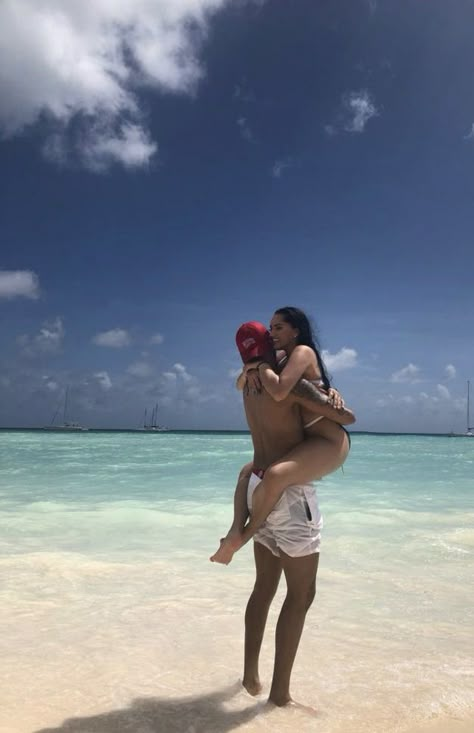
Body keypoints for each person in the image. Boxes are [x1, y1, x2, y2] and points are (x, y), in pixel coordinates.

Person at [210, 320, 355, 708]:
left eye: (279, 328)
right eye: (270, 331)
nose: (275, 337)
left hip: (258, 482)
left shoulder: (249, 384)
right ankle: (280, 696)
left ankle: (250, 676)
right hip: (288, 497)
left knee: (263, 588)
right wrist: (330, 399)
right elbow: (346, 419)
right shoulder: (286, 386)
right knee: (301, 594)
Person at [211, 309, 354, 566]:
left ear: (296, 331)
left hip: (330, 442)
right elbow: (239, 384)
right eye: (270, 328)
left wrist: (260, 366)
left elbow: (278, 390)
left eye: (279, 328)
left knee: (276, 475)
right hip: (309, 441)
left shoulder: (301, 352)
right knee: (248, 471)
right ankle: (235, 528)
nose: (271, 333)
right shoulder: (279, 358)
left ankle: (240, 538)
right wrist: (250, 369)